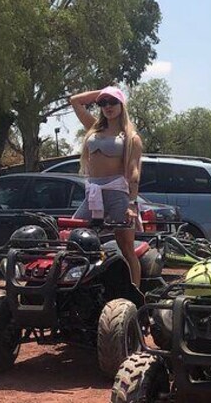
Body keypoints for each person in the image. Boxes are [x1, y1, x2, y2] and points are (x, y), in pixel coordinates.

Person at [69, 86, 143, 286]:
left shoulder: (130, 137)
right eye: (103, 103)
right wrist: (105, 91)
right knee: (74, 239)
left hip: (117, 194)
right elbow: (75, 100)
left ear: (122, 104)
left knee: (126, 247)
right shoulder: (94, 128)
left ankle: (136, 295)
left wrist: (131, 203)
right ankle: (81, 288)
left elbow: (134, 172)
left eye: (113, 102)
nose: (107, 106)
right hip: (93, 194)